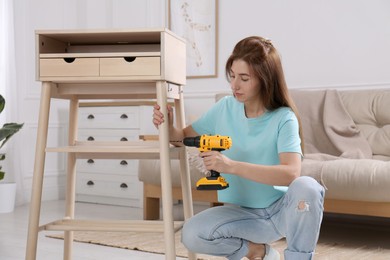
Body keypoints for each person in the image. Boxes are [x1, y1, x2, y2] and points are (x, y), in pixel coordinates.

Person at [152, 36, 325, 260]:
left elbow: (291, 173)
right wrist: (167, 122)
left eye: (244, 78)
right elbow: (181, 138)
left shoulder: (284, 118)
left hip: (280, 211)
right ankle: (260, 252)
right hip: (242, 215)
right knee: (192, 234)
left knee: (308, 187)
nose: (234, 85)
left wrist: (231, 166)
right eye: (232, 76)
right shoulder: (225, 107)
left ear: (265, 79)